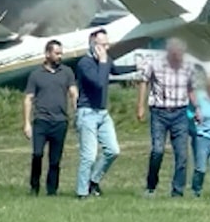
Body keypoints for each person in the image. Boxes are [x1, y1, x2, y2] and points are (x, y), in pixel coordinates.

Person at [75, 28, 135, 199]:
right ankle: (82, 192)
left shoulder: (105, 60)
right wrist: (102, 62)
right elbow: (99, 83)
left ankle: (93, 181)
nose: (107, 48)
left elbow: (114, 70)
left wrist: (137, 67)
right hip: (87, 113)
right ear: (93, 44)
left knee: (113, 150)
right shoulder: (84, 63)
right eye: (103, 44)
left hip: (102, 113)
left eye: (108, 44)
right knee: (89, 156)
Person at [136, 37, 199, 197]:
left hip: (180, 113)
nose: (179, 58)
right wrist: (141, 106)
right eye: (177, 54)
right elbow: (144, 81)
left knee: (182, 154)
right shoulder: (155, 63)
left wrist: (197, 108)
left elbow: (191, 88)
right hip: (159, 112)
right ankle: (151, 186)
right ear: (170, 52)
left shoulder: (188, 66)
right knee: (157, 150)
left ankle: (177, 191)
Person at [23, 39, 78, 196]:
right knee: (38, 154)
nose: (60, 56)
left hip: (60, 122)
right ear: (47, 54)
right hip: (41, 121)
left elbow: (73, 92)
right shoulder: (36, 75)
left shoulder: (67, 72)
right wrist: (27, 123)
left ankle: (52, 190)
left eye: (61, 53)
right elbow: (28, 99)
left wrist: (77, 110)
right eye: (56, 53)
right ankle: (34, 187)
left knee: (55, 160)